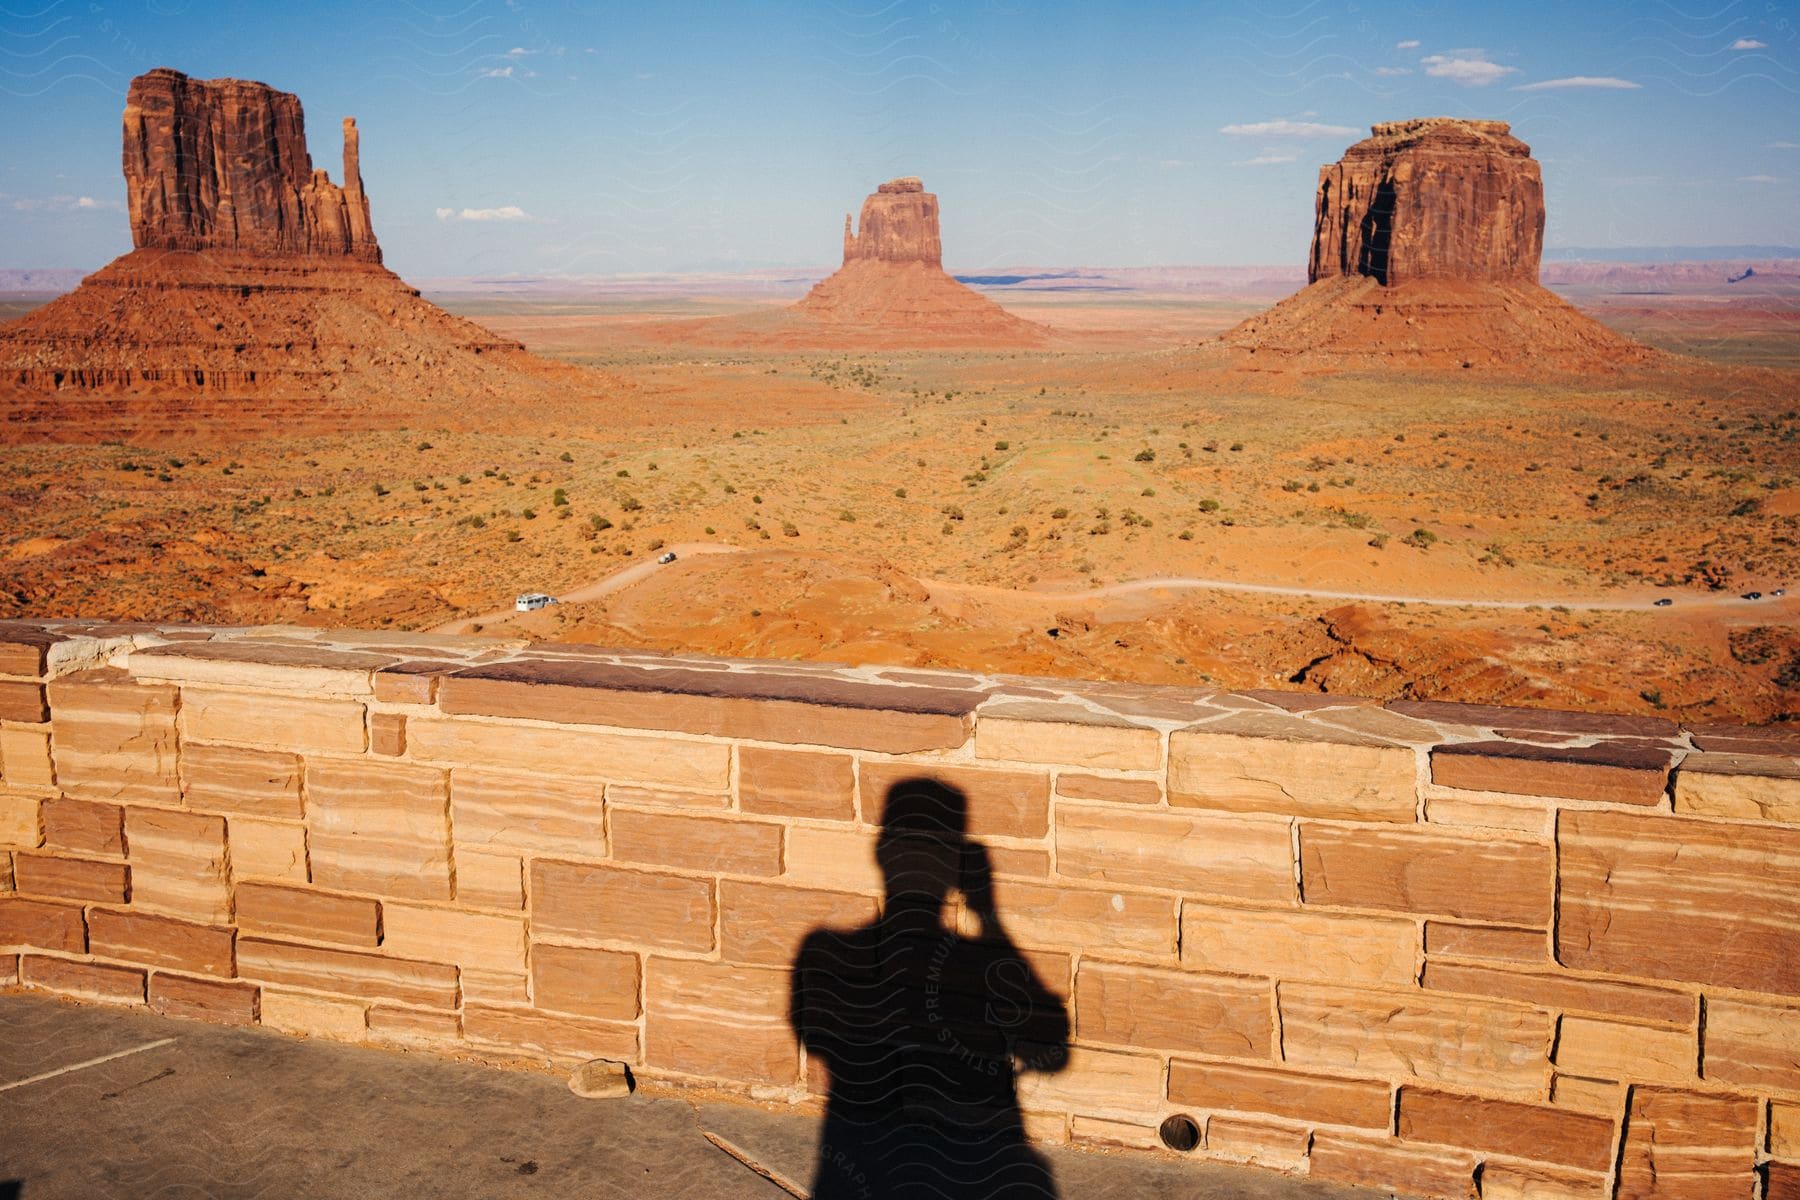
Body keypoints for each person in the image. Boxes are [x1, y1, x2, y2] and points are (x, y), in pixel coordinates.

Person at [789, 777, 1070, 1199]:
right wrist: (989, 916)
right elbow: (1051, 1051)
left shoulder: (826, 953)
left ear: (880, 853)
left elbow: (815, 1038)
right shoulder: (979, 962)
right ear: (957, 870)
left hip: (862, 1159)